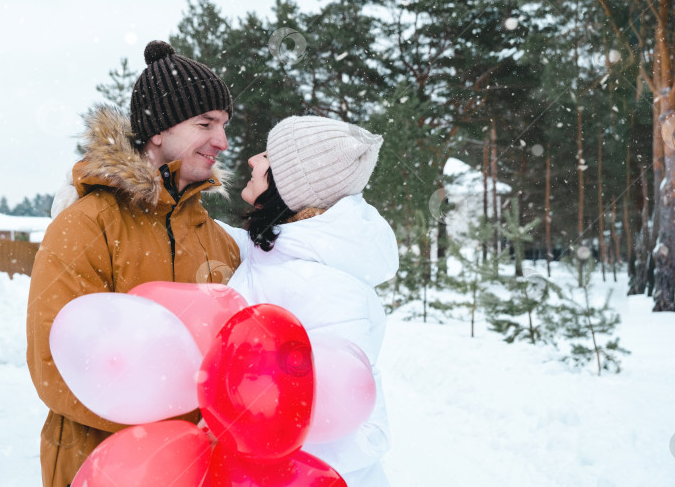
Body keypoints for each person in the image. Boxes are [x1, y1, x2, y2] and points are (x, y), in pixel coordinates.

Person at [26, 40, 241, 487]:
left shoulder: (219, 242)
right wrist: (178, 423)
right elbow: (54, 365)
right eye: (206, 123)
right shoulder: (85, 227)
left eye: (224, 125)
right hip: (100, 465)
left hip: (197, 469)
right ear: (158, 131)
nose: (222, 141)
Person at [216, 115, 398, 487]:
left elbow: (343, 421)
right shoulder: (277, 251)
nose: (253, 159)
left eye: (268, 156)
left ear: (290, 187)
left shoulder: (329, 287)